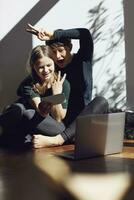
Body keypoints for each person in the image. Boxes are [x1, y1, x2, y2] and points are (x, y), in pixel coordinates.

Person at [16, 24, 109, 148]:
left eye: (61, 50)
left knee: (101, 101)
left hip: (82, 122)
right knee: (22, 108)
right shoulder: (51, 69)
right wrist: (50, 96)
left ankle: (59, 140)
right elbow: (25, 86)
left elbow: (85, 34)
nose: (57, 56)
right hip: (59, 124)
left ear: (69, 47)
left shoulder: (82, 60)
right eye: (53, 53)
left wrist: (53, 35)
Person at [0, 45, 70, 149]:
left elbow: (58, 117)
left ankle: (15, 138)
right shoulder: (29, 83)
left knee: (27, 113)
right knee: (18, 109)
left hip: (54, 126)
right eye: (41, 67)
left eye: (49, 65)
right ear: (34, 67)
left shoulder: (63, 84)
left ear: (54, 62)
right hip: (34, 118)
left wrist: (56, 95)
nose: (46, 70)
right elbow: (40, 109)